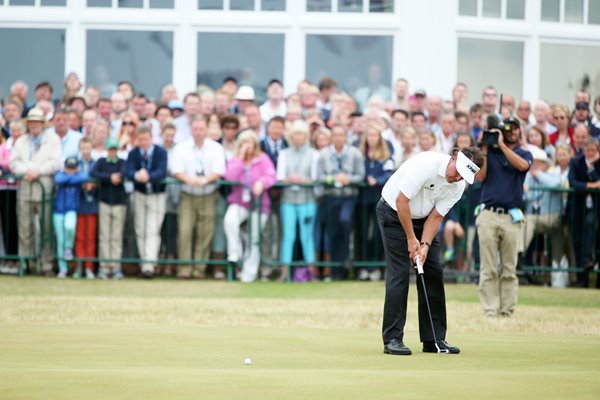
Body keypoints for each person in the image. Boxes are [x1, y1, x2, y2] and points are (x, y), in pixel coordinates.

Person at [378, 146, 483, 355]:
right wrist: (411, 238)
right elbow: (402, 201)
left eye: (464, 176)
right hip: (394, 212)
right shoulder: (426, 164)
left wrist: (424, 245)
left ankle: (434, 339)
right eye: (458, 171)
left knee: (433, 271)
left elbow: (435, 217)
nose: (457, 178)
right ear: (453, 158)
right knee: (399, 273)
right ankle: (392, 339)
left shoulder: (458, 185)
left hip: (424, 219)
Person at [476, 117, 533, 317]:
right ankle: (490, 310)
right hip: (488, 214)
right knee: (488, 267)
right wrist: (485, 147)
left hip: (511, 216)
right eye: (506, 128)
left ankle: (507, 310)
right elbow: (479, 177)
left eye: (515, 128)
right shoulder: (489, 152)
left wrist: (501, 145)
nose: (511, 131)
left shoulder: (524, 153)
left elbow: (522, 166)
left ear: (520, 131)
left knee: (509, 267)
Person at [170, 117, 225, 279]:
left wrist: (205, 180)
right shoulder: (181, 148)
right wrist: (191, 180)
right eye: (196, 129)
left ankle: (199, 269)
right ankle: (184, 269)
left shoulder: (216, 148)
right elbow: (177, 170)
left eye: (201, 129)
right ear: (191, 130)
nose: (198, 132)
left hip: (208, 194)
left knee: (205, 233)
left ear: (206, 130)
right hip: (187, 194)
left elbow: (219, 170)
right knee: (185, 231)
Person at [9, 108, 62, 276]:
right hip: (25, 189)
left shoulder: (52, 140)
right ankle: (26, 263)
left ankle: (46, 264)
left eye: (37, 122)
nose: (34, 125)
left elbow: (56, 162)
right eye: (32, 122)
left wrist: (38, 171)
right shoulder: (21, 141)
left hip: (44, 189)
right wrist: (27, 170)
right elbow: (13, 162)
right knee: (25, 229)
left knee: (46, 230)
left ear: (42, 124)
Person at [224, 130, 276, 283]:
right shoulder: (236, 159)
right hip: (239, 202)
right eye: (244, 143)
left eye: (250, 142)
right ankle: (235, 253)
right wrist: (240, 159)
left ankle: (249, 273)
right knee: (230, 220)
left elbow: (272, 176)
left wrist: (262, 182)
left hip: (259, 204)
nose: (248, 146)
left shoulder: (263, 159)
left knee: (254, 238)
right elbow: (229, 176)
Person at [317, 125, 365, 280]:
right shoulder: (323, 154)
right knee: (332, 232)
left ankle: (345, 262)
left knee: (345, 222)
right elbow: (319, 177)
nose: (338, 138)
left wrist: (348, 179)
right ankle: (335, 269)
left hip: (348, 197)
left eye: (341, 135)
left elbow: (360, 175)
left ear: (345, 137)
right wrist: (333, 179)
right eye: (335, 135)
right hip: (331, 197)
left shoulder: (354, 153)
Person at [277, 121, 320, 282]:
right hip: (288, 199)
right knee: (288, 236)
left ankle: (312, 272)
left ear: (306, 136)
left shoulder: (313, 154)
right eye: (295, 134)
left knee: (306, 236)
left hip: (307, 200)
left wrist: (301, 180)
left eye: (301, 134)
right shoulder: (284, 154)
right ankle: (284, 272)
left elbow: (315, 178)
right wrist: (290, 179)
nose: (298, 138)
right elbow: (279, 177)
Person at [126, 126, 168, 278]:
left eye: (146, 139)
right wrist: (137, 175)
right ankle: (144, 264)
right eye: (141, 140)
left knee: (152, 229)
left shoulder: (160, 152)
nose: (143, 142)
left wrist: (148, 176)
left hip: (157, 195)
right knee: (140, 229)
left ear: (151, 139)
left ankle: (150, 264)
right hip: (140, 194)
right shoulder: (133, 153)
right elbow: (128, 170)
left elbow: (161, 171)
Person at [356, 124, 394, 281]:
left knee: (379, 233)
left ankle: (377, 266)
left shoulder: (386, 154)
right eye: (369, 135)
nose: (371, 138)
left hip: (379, 199)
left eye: (375, 135)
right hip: (362, 200)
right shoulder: (360, 154)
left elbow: (389, 174)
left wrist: (376, 180)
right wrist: (365, 179)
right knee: (362, 233)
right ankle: (363, 266)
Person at [90, 137, 127, 279]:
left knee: (116, 236)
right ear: (107, 150)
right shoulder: (101, 162)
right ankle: (104, 266)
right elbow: (94, 173)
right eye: (110, 149)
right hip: (105, 201)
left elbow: (125, 173)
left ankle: (116, 266)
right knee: (105, 235)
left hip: (119, 202)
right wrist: (109, 177)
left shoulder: (122, 162)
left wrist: (116, 177)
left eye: (114, 149)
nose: (112, 152)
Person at [567, 138, 600, 288]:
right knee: (577, 241)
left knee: (591, 227)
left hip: (596, 207)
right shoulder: (576, 161)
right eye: (588, 151)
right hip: (578, 207)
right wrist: (590, 185)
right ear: (584, 151)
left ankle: (590, 264)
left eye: (593, 151)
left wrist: (592, 168)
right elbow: (573, 182)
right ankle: (582, 279)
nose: (591, 153)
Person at [53, 157, 87, 279]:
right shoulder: (60, 174)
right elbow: (58, 179)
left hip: (71, 209)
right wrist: (72, 178)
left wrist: (70, 178)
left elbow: (83, 177)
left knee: (69, 227)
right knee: (60, 239)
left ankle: (68, 247)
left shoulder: (79, 175)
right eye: (69, 168)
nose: (71, 170)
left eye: (73, 168)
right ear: (65, 167)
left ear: (77, 167)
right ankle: (63, 268)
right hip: (58, 210)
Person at [75, 138, 98, 279]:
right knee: (80, 237)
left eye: (88, 148)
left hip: (92, 204)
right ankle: (79, 265)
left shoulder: (96, 164)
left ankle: (89, 266)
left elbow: (99, 179)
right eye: (83, 148)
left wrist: (93, 185)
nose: (86, 151)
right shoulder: (75, 164)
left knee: (91, 237)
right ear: (80, 149)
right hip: (78, 204)